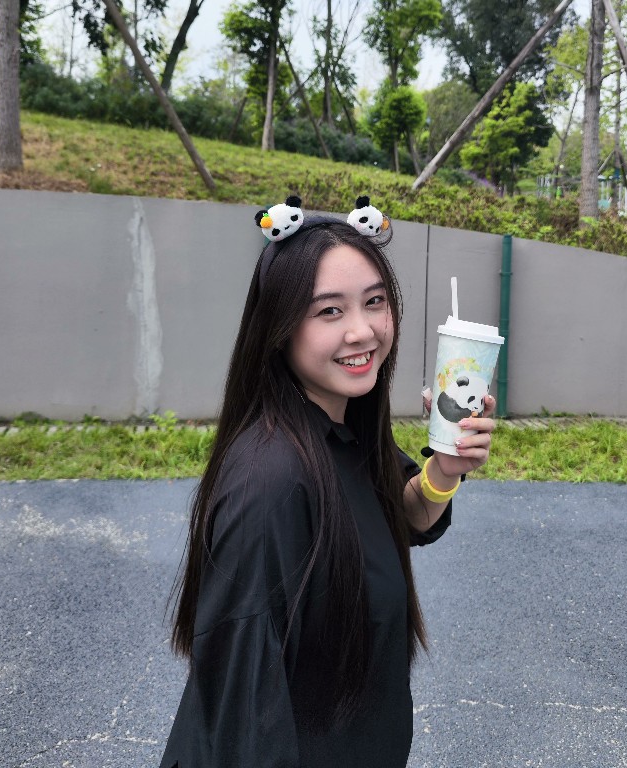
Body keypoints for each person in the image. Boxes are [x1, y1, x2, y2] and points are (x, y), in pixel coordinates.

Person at [159, 197, 497, 768]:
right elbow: (243, 711)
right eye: (329, 311)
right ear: (279, 328)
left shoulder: (344, 427)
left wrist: (444, 469)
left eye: (375, 302)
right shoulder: (270, 481)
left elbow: (406, 516)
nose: (362, 331)